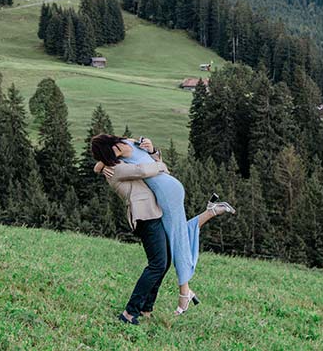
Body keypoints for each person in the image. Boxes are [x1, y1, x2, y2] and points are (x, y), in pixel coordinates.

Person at [91, 134, 235, 318]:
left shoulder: (120, 154)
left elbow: (138, 153)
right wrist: (161, 166)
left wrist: (152, 151)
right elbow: (141, 171)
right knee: (158, 264)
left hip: (154, 212)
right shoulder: (115, 170)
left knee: (164, 262)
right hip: (145, 217)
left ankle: (146, 309)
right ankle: (129, 313)